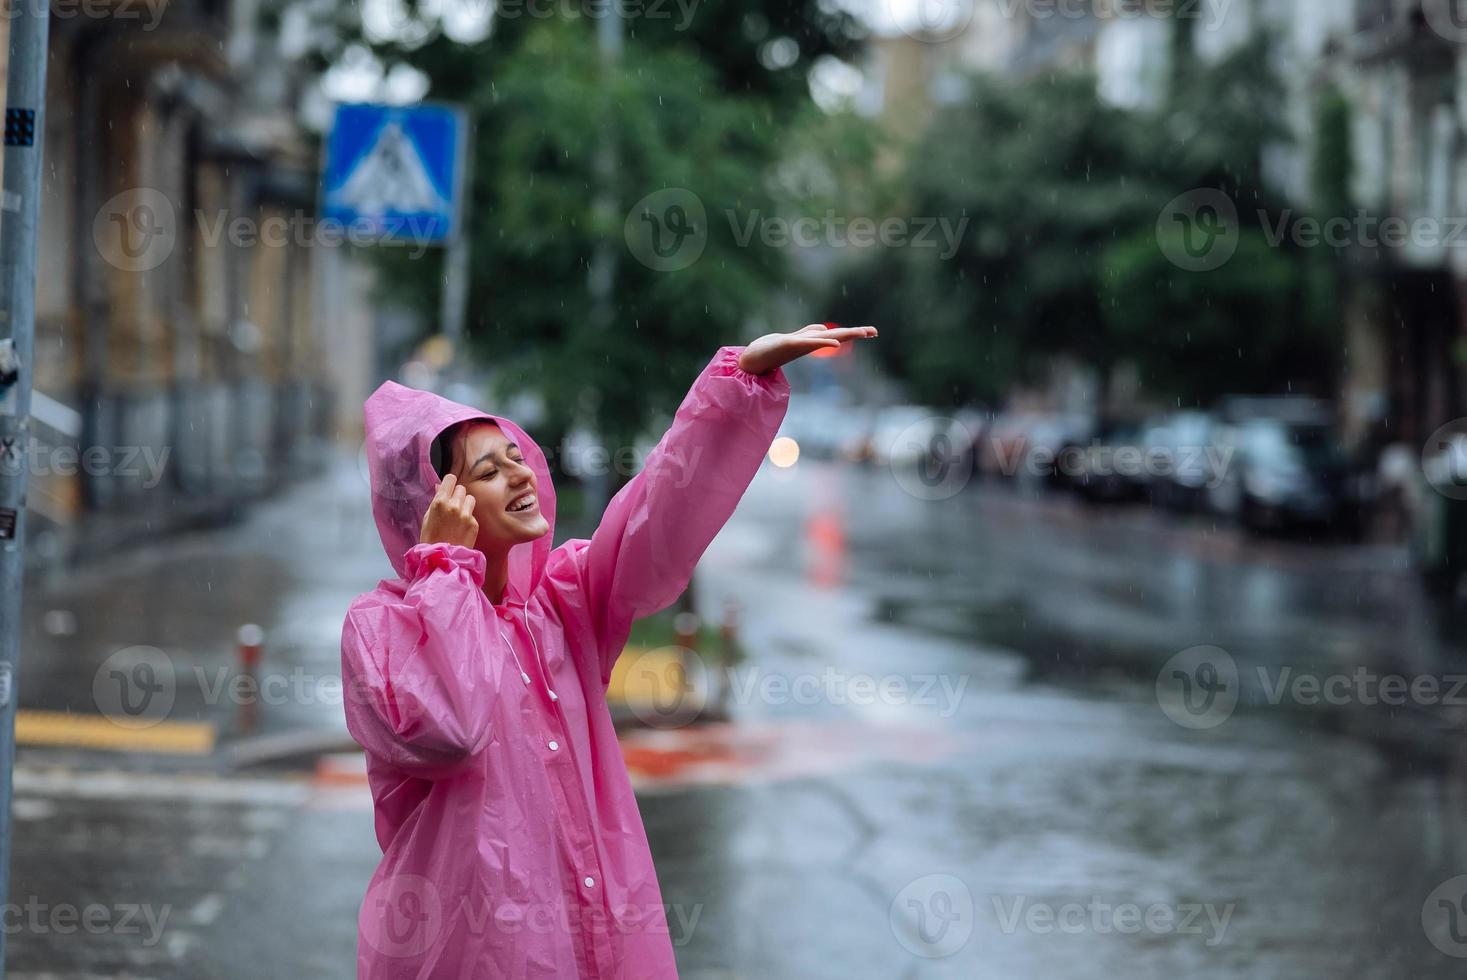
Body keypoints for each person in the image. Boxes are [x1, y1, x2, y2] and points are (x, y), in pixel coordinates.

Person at [343, 324, 878, 979]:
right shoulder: (380, 630)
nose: (519, 474)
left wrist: (738, 383)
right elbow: (452, 729)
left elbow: (657, 516)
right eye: (488, 470)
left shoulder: (560, 603)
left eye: (516, 457)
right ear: (438, 504)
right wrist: (446, 570)